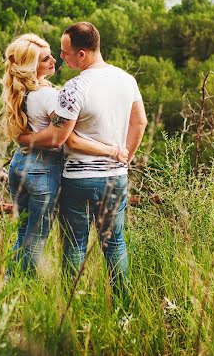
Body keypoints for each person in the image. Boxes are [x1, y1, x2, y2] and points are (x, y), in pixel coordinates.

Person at [18, 23, 147, 291]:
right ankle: (122, 304)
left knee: (75, 244)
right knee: (115, 243)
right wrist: (124, 157)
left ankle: (71, 302)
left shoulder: (73, 88)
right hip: (115, 178)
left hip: (79, 179)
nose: (61, 58)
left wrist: (26, 139)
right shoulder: (127, 79)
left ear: (83, 54)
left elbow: (60, 137)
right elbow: (140, 122)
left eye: (65, 53)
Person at [2, 33, 129, 274]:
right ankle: (22, 286)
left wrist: (25, 139)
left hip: (19, 164)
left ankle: (9, 280)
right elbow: (65, 138)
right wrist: (112, 150)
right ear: (30, 67)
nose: (54, 61)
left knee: (22, 231)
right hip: (42, 169)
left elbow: (25, 133)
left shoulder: (20, 93)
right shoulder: (49, 96)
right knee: (37, 237)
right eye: (45, 59)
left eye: (52, 55)